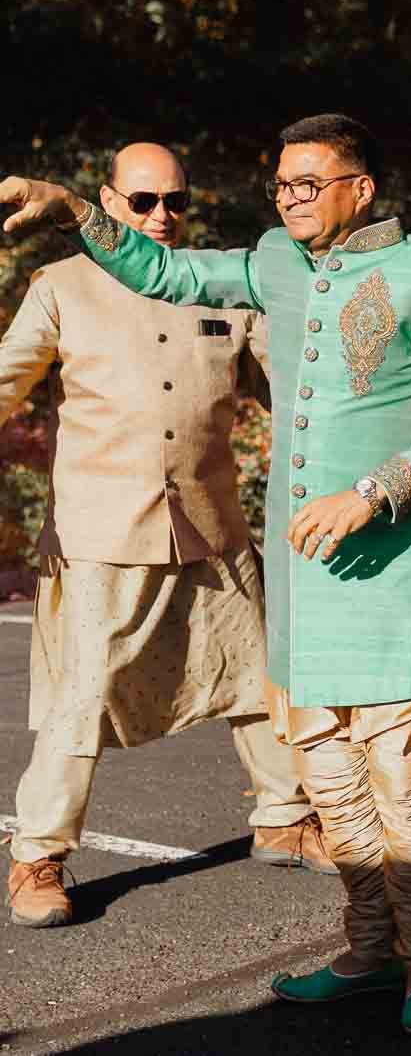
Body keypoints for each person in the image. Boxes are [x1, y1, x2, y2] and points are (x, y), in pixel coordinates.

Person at [1, 116, 411, 1034]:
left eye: (311, 183)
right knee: (333, 774)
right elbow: (164, 273)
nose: (292, 199)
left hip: (390, 562)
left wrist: (373, 492)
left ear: (362, 189)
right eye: (282, 185)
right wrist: (69, 206)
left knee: (404, 774)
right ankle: (367, 947)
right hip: (300, 573)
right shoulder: (273, 260)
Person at [0, 143, 326, 930]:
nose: (161, 216)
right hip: (101, 531)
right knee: (82, 699)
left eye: (175, 202)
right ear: (109, 202)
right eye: (143, 201)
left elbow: (297, 389)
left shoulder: (224, 286)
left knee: (256, 678)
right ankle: (36, 855)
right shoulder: (61, 286)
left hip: (213, 523)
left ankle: (284, 815)